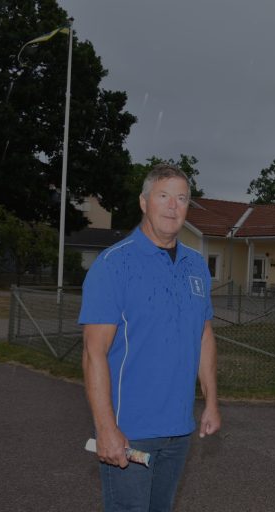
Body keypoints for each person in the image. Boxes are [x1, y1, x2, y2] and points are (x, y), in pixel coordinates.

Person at [80, 164, 221, 512]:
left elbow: (203, 335)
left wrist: (212, 402)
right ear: (144, 203)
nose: (173, 206)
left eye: (181, 198)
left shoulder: (196, 265)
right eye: (163, 196)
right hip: (130, 429)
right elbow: (93, 353)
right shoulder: (113, 265)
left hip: (179, 429)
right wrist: (106, 429)